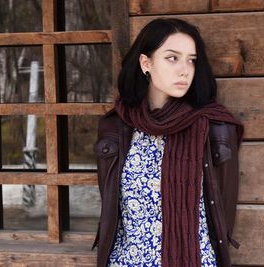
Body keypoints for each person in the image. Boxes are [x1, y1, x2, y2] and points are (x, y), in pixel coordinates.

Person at [92, 18, 244, 267]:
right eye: (172, 58)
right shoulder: (116, 126)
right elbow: (112, 206)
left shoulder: (212, 127)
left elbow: (222, 212)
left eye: (191, 60)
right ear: (146, 63)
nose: (185, 69)